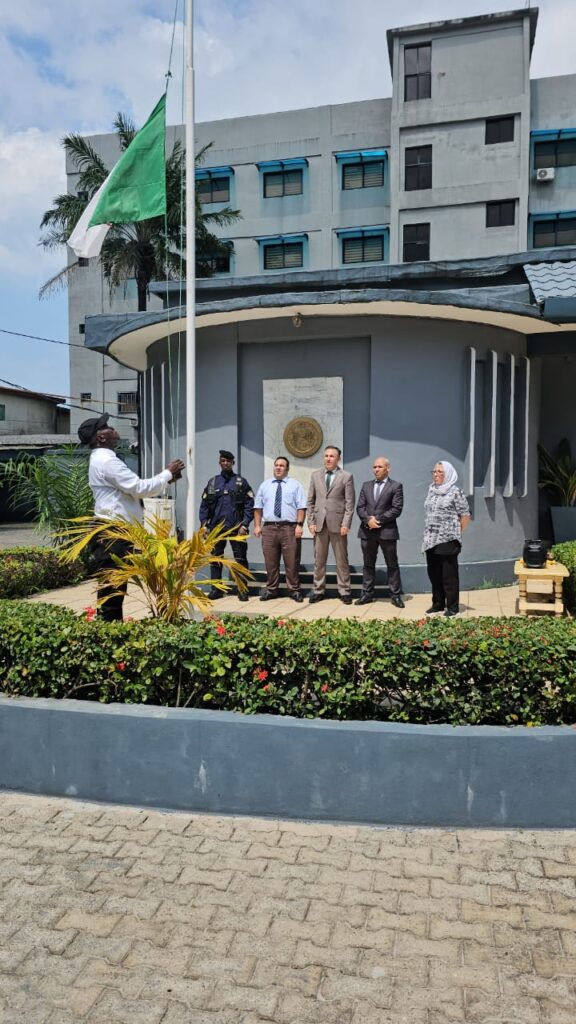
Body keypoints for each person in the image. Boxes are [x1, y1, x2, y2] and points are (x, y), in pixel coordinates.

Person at [78, 412, 185, 621]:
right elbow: (138, 488)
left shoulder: (105, 459)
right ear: (101, 437)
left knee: (115, 587)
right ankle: (109, 629)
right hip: (112, 531)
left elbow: (131, 491)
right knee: (113, 588)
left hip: (114, 530)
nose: (113, 428)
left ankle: (110, 627)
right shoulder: (107, 461)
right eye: (107, 426)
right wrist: (167, 473)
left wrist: (166, 479)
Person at [199, 450, 254, 601]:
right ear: (219, 462)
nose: (225, 463)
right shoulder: (213, 482)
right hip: (216, 528)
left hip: (237, 528)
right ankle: (216, 590)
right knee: (215, 559)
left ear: (233, 463)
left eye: (228, 461)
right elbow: (204, 505)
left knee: (240, 559)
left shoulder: (241, 482)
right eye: (223, 461)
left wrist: (245, 525)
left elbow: (249, 505)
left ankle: (242, 590)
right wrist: (204, 525)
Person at [253, 456, 307, 602]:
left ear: (287, 469)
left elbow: (301, 507)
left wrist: (299, 525)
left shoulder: (295, 485)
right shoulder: (265, 485)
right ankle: (271, 590)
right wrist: (257, 526)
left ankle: (294, 590)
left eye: (282, 465)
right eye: (276, 465)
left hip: (289, 528)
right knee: (270, 562)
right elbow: (258, 507)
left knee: (292, 561)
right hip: (269, 528)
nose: (278, 467)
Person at [307, 445, 355, 604]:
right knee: (319, 560)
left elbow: (349, 503)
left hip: (338, 525)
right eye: (326, 456)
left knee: (342, 560)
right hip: (319, 524)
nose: (328, 459)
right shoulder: (315, 475)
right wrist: (311, 522)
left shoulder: (346, 476)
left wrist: (346, 523)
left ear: (338, 459)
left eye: (332, 456)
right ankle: (318, 590)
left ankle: (344, 591)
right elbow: (310, 501)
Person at [423, 460, 471, 618]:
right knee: (434, 574)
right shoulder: (431, 490)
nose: (436, 475)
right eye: (434, 471)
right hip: (431, 540)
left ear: (448, 474)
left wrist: (455, 532)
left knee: (449, 576)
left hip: (448, 540)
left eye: (440, 472)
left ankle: (452, 606)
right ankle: (437, 604)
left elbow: (465, 516)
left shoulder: (455, 492)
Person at [355, 456, 405, 608]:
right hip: (367, 532)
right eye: (374, 467)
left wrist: (377, 520)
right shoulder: (366, 485)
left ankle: (395, 595)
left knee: (392, 564)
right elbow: (360, 507)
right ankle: (367, 594)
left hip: (387, 532)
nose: (376, 469)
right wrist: (367, 520)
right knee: (368, 565)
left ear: (387, 469)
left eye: (380, 467)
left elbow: (396, 509)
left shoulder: (396, 486)